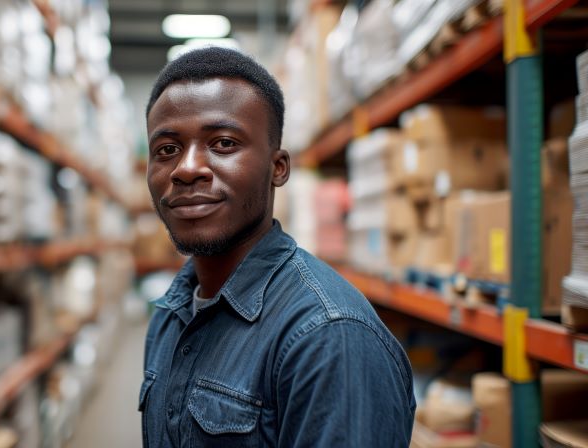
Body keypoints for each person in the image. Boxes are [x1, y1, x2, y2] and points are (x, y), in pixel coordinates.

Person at [140, 46, 415, 447]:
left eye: (223, 143)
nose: (186, 168)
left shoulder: (329, 337)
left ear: (278, 168)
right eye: (167, 150)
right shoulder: (170, 314)